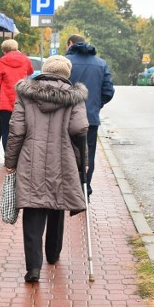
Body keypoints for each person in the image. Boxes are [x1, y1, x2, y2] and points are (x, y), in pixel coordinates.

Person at [5, 55, 89, 283]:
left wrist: (10, 162)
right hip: (62, 158)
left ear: (44, 71)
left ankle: (33, 268)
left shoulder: (26, 93)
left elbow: (16, 130)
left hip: (31, 158)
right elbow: (80, 128)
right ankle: (53, 253)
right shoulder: (74, 97)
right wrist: (83, 163)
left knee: (33, 207)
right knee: (57, 202)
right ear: (66, 74)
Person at [66, 34, 115, 198]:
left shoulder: (65, 62)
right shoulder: (101, 63)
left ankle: (68, 190)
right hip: (90, 119)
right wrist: (95, 104)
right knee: (88, 155)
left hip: (66, 117)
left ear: (71, 44)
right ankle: (84, 189)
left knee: (66, 153)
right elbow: (108, 91)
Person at [0, 39, 34, 149]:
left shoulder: (1, 61)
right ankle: (20, 159)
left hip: (6, 103)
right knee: (22, 131)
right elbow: (30, 72)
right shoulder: (25, 59)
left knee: (6, 130)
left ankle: (8, 160)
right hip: (23, 101)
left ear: (4, 50)